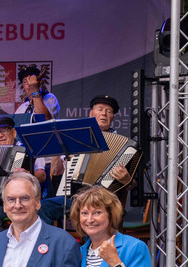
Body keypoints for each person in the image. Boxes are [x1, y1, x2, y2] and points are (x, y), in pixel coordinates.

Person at [38, 95, 131, 226]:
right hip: (75, 198)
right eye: (100, 109)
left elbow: (132, 184)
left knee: (94, 212)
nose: (104, 113)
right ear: (91, 113)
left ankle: (94, 246)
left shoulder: (123, 145)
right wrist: (57, 154)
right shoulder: (77, 138)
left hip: (105, 201)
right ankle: (48, 245)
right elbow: (57, 172)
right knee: (43, 207)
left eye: (109, 111)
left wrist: (127, 180)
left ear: (113, 117)